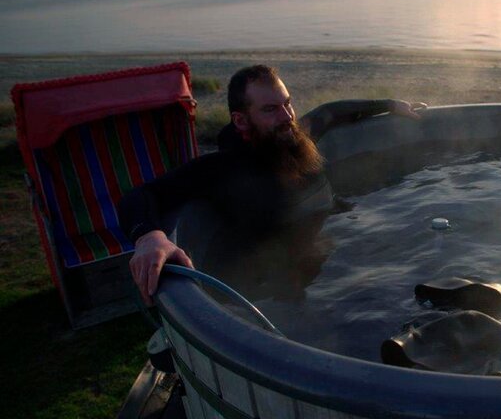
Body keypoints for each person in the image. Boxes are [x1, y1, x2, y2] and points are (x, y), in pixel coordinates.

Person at [119, 65, 425, 305]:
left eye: (287, 103)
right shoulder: (224, 170)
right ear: (240, 121)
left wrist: (390, 104)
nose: (287, 117)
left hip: (335, 242)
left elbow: (330, 112)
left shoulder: (296, 137)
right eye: (270, 109)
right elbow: (141, 195)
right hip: (282, 276)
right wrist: (149, 238)